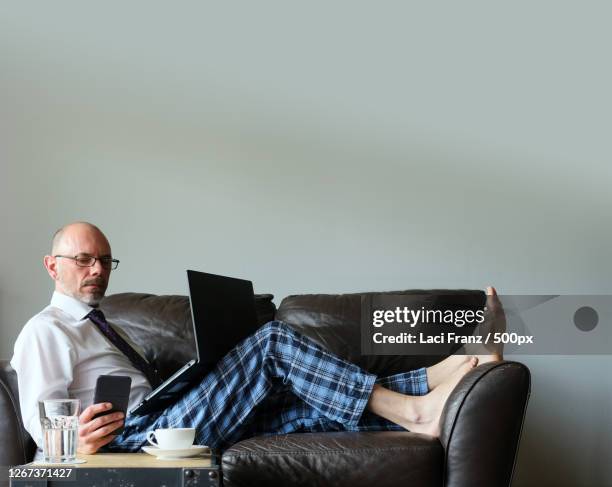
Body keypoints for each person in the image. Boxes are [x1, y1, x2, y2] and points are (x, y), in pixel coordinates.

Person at [11, 222, 502, 455]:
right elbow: (41, 426)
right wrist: (75, 439)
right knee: (270, 343)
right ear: (52, 265)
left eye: (104, 260)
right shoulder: (45, 330)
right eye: (83, 260)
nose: (97, 270)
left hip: (164, 414)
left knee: (297, 400)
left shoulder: (107, 325)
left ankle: (449, 371)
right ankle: (418, 412)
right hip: (138, 437)